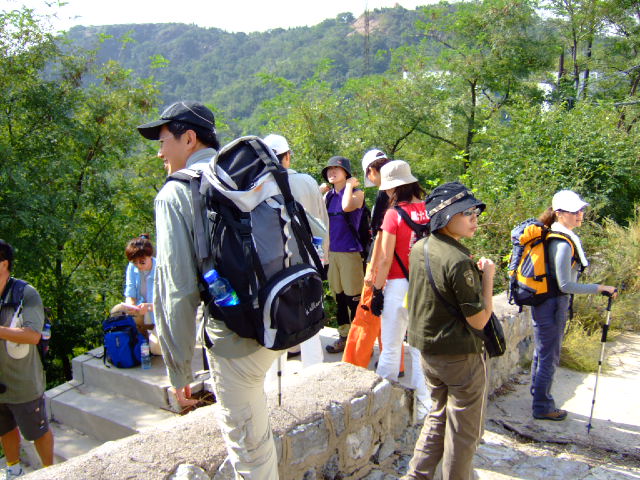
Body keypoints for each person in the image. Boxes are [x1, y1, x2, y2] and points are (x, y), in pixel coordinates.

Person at [137, 101, 281, 479]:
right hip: (278, 315)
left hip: (234, 336)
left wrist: (179, 368)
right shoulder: (245, 175)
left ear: (189, 138)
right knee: (256, 421)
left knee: (248, 451)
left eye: (163, 141)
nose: (159, 152)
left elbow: (178, 290)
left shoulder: (176, 193)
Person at [404, 182, 494, 480]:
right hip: (459, 355)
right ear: (445, 217)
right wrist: (488, 278)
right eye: (467, 213)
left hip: (428, 351)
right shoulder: (458, 261)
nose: (474, 218)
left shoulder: (420, 247)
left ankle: (417, 475)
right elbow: (479, 321)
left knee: (438, 415)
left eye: (475, 212)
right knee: (463, 432)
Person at [530, 190, 617, 421]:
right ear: (559, 213)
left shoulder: (555, 235)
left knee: (542, 352)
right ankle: (542, 406)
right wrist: (600, 288)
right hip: (552, 304)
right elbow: (565, 284)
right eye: (574, 211)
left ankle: (538, 397)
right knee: (549, 356)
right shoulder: (562, 242)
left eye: (581, 210)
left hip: (544, 301)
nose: (580, 214)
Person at [369, 160, 429, 415]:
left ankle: (383, 409)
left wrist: (377, 290)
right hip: (424, 285)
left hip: (397, 285)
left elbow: (384, 258)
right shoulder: (429, 210)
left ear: (393, 188)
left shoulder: (393, 215)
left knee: (391, 348)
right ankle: (425, 410)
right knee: (419, 351)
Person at [263, 133, 327, 368]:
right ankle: (314, 371)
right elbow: (321, 223)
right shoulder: (307, 182)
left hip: (275, 265)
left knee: (276, 318)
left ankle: (275, 376)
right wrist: (323, 259)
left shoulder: (258, 186)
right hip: (307, 260)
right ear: (287, 156)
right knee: (311, 313)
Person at [0, 239, 54, 478]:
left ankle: (52, 471)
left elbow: (33, 335)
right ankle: (13, 468)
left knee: (37, 432)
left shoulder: (25, 293)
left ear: (4, 263)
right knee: (4, 428)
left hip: (23, 382)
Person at [321, 156, 365, 354]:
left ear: (346, 173)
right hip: (332, 253)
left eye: (336, 169)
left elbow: (347, 206)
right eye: (329, 169)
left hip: (350, 252)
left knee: (353, 299)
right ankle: (344, 337)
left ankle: (359, 342)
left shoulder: (357, 193)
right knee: (338, 297)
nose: (331, 172)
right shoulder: (328, 196)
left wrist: (348, 186)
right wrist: (319, 192)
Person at [123, 234, 161, 355]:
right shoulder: (132, 267)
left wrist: (149, 307)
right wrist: (131, 305)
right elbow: (130, 291)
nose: (138, 266)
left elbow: (169, 303)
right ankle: (141, 340)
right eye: (135, 263)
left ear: (150, 256)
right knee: (116, 311)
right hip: (141, 311)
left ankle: (155, 338)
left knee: (156, 350)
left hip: (159, 315)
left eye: (142, 262)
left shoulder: (161, 268)